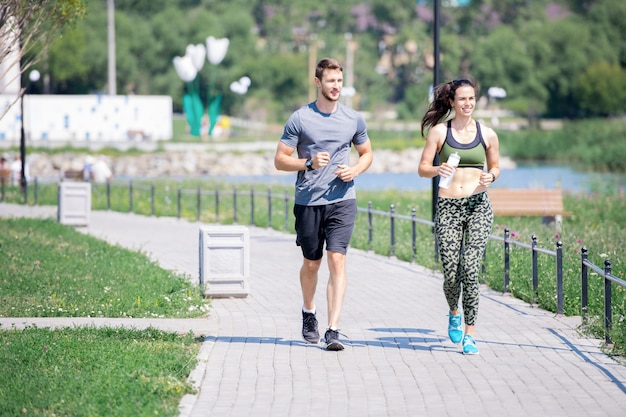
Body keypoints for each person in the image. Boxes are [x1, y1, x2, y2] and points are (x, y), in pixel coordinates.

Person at [274, 57, 373, 351]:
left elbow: (367, 153)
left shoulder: (353, 118)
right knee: (311, 263)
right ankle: (308, 312)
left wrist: (354, 170)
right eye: (331, 81)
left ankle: (333, 329)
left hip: (343, 199)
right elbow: (279, 160)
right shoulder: (300, 118)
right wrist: (308, 162)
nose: (336, 86)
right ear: (318, 82)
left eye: (339, 81)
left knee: (337, 259)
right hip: (309, 201)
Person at [417, 78, 500, 355]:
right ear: (452, 102)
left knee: (471, 269)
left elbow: (496, 166)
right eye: (462, 99)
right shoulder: (440, 132)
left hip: (478, 206)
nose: (467, 104)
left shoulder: (487, 134)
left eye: (472, 99)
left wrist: (492, 175)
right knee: (452, 272)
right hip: (449, 207)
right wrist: (436, 170)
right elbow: (422, 168)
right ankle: (454, 310)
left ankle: (470, 334)